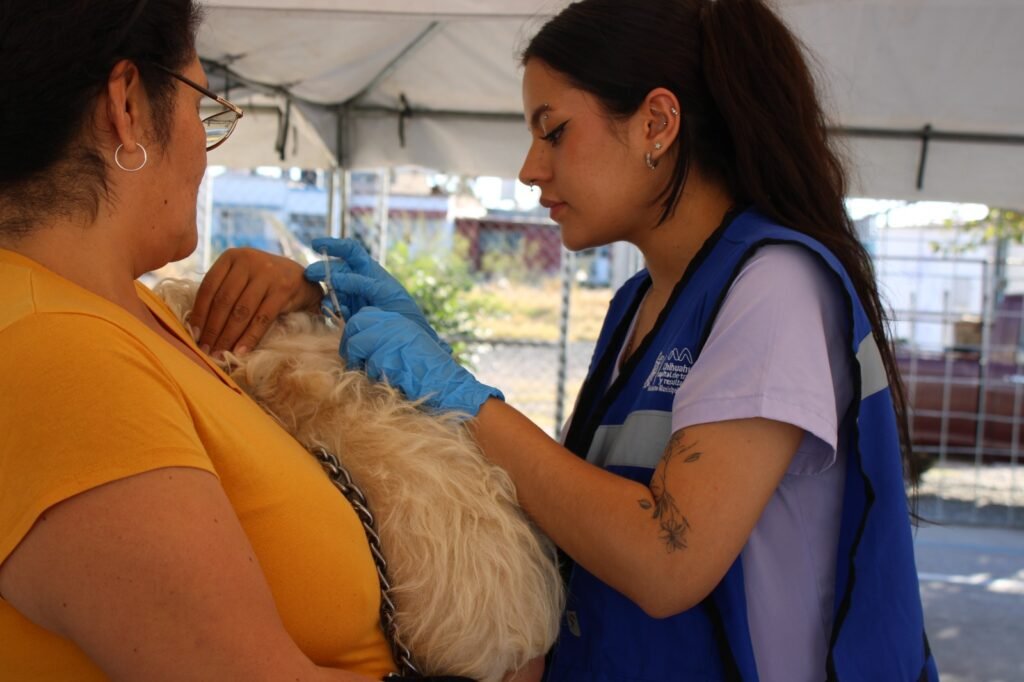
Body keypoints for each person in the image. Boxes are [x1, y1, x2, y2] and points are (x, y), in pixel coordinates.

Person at [194, 1, 940, 680]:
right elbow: (581, 516)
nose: (529, 170)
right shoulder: (640, 304)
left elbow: (665, 558)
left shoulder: (774, 288)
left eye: (554, 131)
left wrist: (463, 398)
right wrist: (396, 361)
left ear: (657, 123)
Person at [0, 2, 442, 680]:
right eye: (203, 112)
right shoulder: (58, 353)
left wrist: (306, 305)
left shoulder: (129, 312)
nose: (206, 153)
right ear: (126, 106)